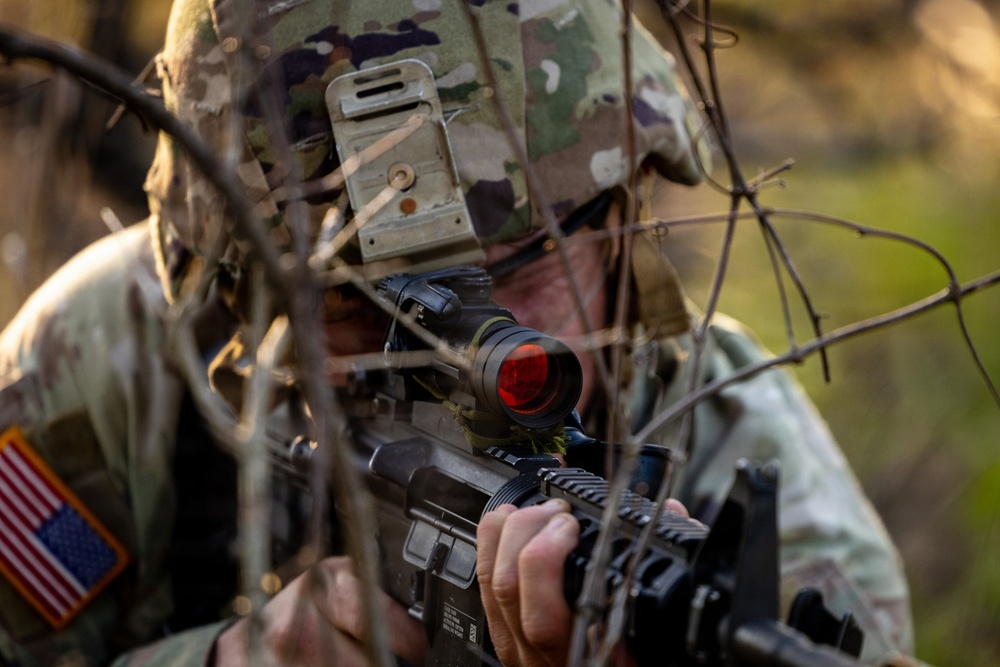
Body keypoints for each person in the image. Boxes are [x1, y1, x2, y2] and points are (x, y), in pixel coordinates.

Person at [0, 0, 913, 665]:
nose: (434, 352)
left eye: (512, 267)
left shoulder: (727, 434)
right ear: (245, 288)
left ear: (621, 231)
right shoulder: (96, 368)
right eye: (354, 298)